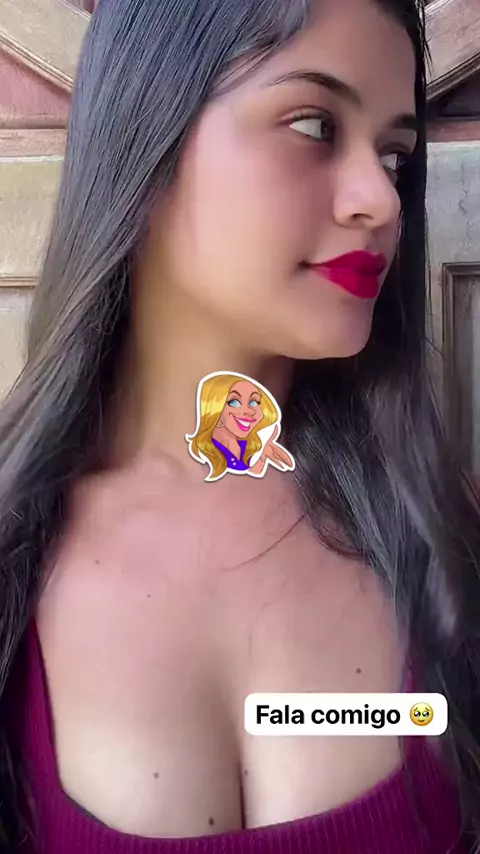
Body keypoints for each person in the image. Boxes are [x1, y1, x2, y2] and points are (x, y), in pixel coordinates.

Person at [0, 0, 479, 851]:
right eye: (313, 124)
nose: (381, 199)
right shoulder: (15, 561)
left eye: (395, 156)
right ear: (146, 135)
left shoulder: (447, 540)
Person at [185, 371, 295, 480]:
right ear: (214, 408)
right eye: (234, 402)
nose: (250, 411)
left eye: (254, 402)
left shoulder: (248, 445)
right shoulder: (204, 452)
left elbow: (253, 474)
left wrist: (263, 454)